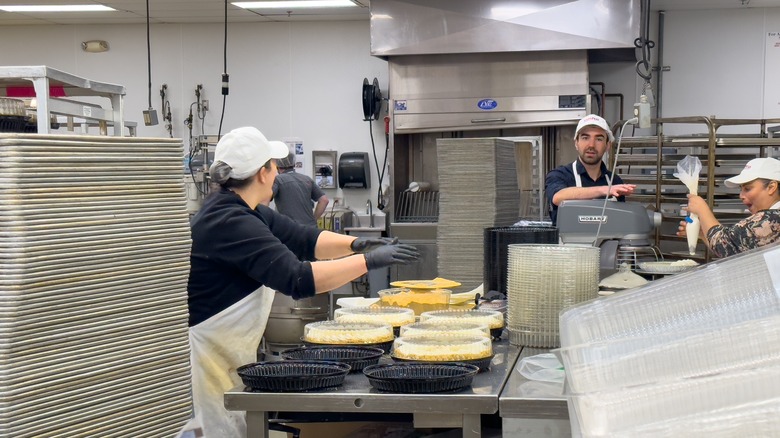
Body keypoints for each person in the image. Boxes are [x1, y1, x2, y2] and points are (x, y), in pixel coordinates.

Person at [184, 127, 420, 437]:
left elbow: (305, 238)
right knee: (222, 430)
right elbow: (298, 279)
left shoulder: (245, 210)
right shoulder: (229, 221)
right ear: (263, 173)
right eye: (273, 164)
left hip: (227, 347)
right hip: (210, 354)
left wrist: (357, 244)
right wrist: (368, 261)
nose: (277, 172)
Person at [677, 157, 780, 258]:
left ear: (771, 187)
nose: (741, 196)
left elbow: (723, 244)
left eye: (747, 189)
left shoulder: (773, 219)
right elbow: (733, 251)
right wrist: (704, 233)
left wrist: (702, 209)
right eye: (741, 189)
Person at [545, 114, 637, 224]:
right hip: (569, 241)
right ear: (576, 143)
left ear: (607, 145)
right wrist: (605, 190)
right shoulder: (559, 175)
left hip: (607, 241)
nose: (591, 145)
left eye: (598, 139)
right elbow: (558, 197)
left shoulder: (614, 181)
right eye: (585, 138)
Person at [271, 151, 329, 227]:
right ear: (294, 164)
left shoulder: (278, 180)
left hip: (290, 230)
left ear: (277, 166)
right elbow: (324, 200)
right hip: (310, 229)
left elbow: (266, 198)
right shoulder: (307, 179)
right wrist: (313, 220)